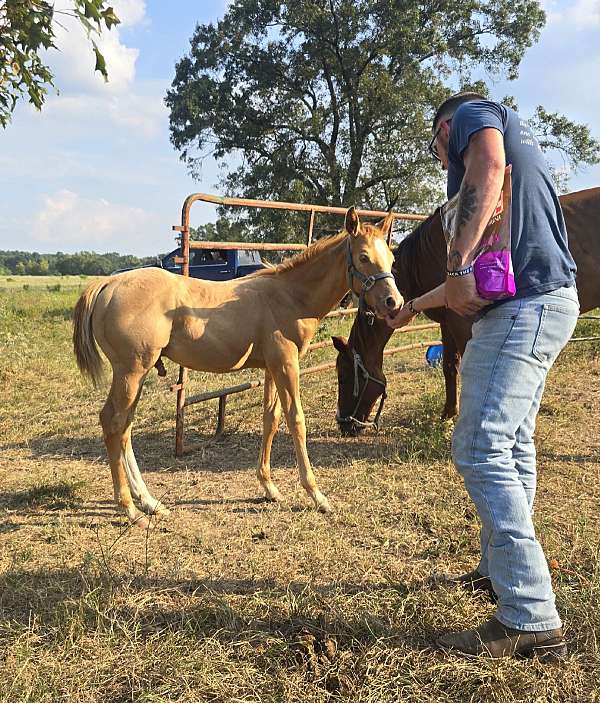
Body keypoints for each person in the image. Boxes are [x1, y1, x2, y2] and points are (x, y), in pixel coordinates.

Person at [387, 92, 579, 660]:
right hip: (544, 302)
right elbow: (471, 277)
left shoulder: (475, 118)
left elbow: (487, 170)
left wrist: (455, 264)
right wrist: (413, 307)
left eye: (436, 144)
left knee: (479, 444)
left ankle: (529, 613)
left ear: (446, 126)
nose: (442, 156)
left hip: (522, 310)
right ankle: (499, 573)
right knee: (513, 444)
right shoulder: (516, 160)